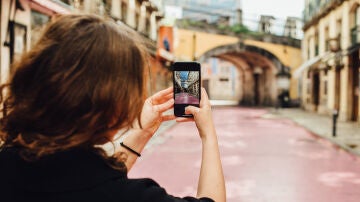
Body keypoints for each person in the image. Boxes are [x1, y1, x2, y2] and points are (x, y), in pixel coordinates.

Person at [0, 14, 225, 202]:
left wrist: (144, 130)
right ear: (114, 102)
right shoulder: (128, 195)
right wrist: (208, 134)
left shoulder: (9, 163)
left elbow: (87, 177)